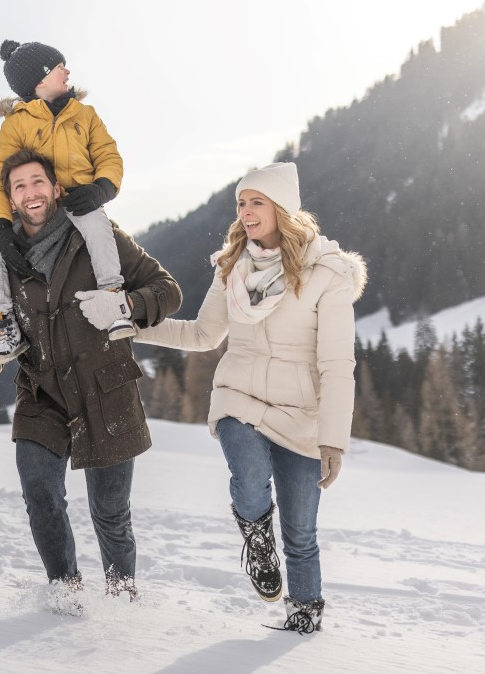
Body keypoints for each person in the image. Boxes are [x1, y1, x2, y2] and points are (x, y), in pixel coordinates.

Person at [134, 162, 366, 633]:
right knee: (250, 479)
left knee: (301, 532)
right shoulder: (232, 268)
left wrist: (333, 440)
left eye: (256, 201)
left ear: (282, 208)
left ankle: (303, 616)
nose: (245, 211)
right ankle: (258, 540)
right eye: (241, 203)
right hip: (238, 397)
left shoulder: (327, 274)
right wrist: (134, 326)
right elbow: (202, 334)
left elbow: (337, 365)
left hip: (300, 414)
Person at [0, 149, 182, 605]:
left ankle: (123, 602)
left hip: (107, 391)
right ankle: (64, 594)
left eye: (37, 182)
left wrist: (126, 307)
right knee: (40, 498)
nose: (30, 192)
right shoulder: (2, 258)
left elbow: (167, 290)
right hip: (41, 393)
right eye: (19, 186)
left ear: (56, 188)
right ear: (10, 199)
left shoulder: (96, 236)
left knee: (110, 513)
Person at [0, 39, 131, 366]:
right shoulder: (17, 123)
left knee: (96, 224)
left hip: (79, 201)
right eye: (60, 66)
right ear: (40, 80)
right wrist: (1, 227)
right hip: (37, 209)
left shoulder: (85, 115)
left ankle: (112, 298)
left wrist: (102, 188)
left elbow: (107, 155)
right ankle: (4, 323)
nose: (68, 71)